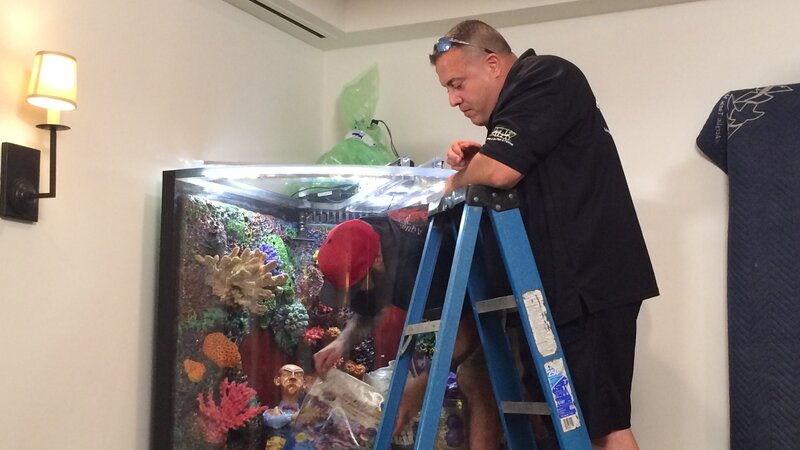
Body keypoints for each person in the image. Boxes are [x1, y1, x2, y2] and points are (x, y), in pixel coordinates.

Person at [430, 20, 659, 450]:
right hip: (562, 289)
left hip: (587, 288)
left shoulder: (545, 76)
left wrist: (453, 182)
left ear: (493, 64)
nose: (453, 99)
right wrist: (477, 163)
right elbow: (514, 166)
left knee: (600, 428)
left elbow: (500, 171)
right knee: (570, 426)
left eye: (457, 84)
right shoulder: (525, 98)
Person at [311, 209, 500, 448]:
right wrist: (341, 342)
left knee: (476, 382)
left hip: (488, 290)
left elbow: (466, 334)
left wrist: (418, 390)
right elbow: (367, 310)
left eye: (357, 286)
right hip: (447, 306)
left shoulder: (426, 260)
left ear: (378, 260)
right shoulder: (363, 243)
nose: (356, 293)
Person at [262, 364, 305, 450]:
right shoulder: (271, 412)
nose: (293, 378)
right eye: (286, 374)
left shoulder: (305, 412)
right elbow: (272, 422)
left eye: (298, 375)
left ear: (304, 383)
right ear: (277, 380)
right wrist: (291, 418)